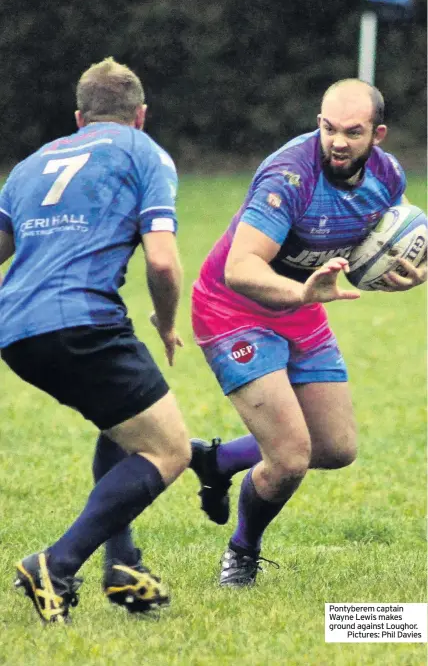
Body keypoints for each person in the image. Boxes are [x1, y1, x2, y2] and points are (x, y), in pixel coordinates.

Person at [189, 79, 427, 587]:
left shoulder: (388, 176)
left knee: (336, 448)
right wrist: (301, 294)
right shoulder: (288, 178)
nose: (337, 141)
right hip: (233, 309)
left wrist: (407, 268)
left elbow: (383, 242)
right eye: (328, 127)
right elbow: (240, 268)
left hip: (300, 306)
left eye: (352, 132)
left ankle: (218, 459)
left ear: (377, 134)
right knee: (290, 456)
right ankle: (242, 550)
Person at [0, 57, 191, 623]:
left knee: (123, 424)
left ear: (79, 117)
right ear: (141, 115)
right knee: (169, 449)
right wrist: (167, 320)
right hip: (83, 323)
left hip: (16, 331)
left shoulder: (29, 166)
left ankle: (122, 567)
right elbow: (162, 261)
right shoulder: (145, 153)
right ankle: (55, 565)